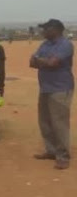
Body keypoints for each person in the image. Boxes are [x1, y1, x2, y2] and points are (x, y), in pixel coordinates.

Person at [30, 19, 74, 170]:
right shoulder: (45, 44)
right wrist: (44, 61)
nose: (43, 31)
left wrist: (41, 61)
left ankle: (63, 156)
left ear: (55, 29)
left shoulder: (65, 45)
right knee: (45, 122)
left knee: (59, 123)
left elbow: (52, 63)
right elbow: (32, 62)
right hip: (45, 88)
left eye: (46, 28)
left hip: (60, 88)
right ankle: (51, 151)